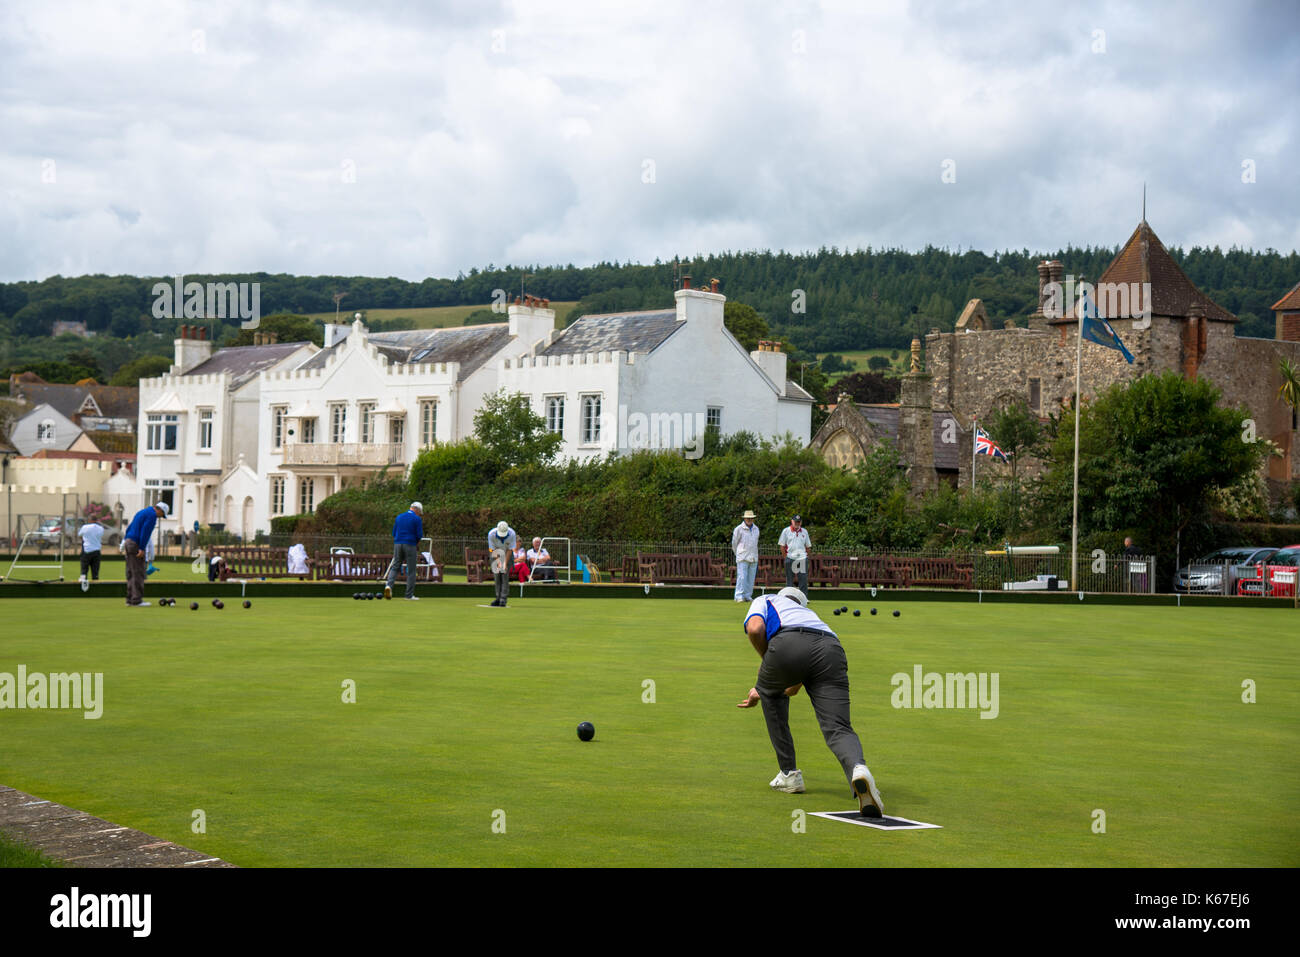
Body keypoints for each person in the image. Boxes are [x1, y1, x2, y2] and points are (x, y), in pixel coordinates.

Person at [736, 586, 884, 817]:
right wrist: (767, 684)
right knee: (838, 727)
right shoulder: (811, 617)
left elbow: (755, 629)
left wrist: (768, 670)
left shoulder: (766, 599)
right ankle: (859, 769)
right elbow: (796, 682)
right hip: (831, 649)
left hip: (787, 643)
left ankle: (789, 775)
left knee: (773, 698)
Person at [122, 501, 168, 607]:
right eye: (162, 514)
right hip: (136, 544)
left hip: (129, 542)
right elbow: (145, 532)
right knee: (138, 572)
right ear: (160, 510)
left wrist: (125, 541)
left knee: (130, 572)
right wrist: (142, 548)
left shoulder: (142, 512)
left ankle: (130, 599)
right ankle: (137, 600)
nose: (161, 517)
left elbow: (129, 527)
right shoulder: (152, 516)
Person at [383, 502, 424, 600]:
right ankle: (408, 595)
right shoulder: (417, 519)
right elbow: (419, 535)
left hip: (398, 544)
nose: (419, 514)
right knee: (411, 570)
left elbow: (394, 533)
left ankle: (388, 586)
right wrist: (416, 544)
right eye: (419, 512)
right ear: (417, 510)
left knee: (395, 566)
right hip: (410, 544)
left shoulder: (399, 517)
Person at [778, 514, 811, 594]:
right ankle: (789, 598)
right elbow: (782, 546)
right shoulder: (786, 531)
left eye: (799, 522)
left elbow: (808, 547)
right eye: (795, 522)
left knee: (803, 579)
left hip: (801, 559)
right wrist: (786, 557)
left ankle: (804, 598)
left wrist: (805, 556)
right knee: (789, 580)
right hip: (790, 558)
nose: (797, 523)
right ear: (792, 521)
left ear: (801, 522)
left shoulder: (804, 531)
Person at [731, 509, 760, 602]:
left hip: (753, 556)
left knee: (751, 578)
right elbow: (734, 543)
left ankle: (747, 595)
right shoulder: (738, 529)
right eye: (748, 518)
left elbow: (755, 543)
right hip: (742, 556)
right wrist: (738, 553)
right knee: (742, 577)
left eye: (751, 518)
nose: (749, 520)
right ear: (744, 518)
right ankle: (739, 595)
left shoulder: (756, 529)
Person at [487, 520, 516, 607]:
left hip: (507, 554)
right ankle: (498, 598)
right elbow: (492, 549)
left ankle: (503, 599)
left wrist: (504, 564)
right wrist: (499, 562)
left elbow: (510, 550)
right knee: (497, 576)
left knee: (504, 575)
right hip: (495, 553)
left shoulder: (512, 534)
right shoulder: (491, 534)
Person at [77, 519, 105, 583]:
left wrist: (85, 539)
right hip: (97, 552)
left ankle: (83, 587)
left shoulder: (85, 527)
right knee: (95, 572)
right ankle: (95, 587)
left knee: (84, 570)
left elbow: (79, 535)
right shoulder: (101, 528)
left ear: (89, 520)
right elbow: (99, 537)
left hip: (87, 550)